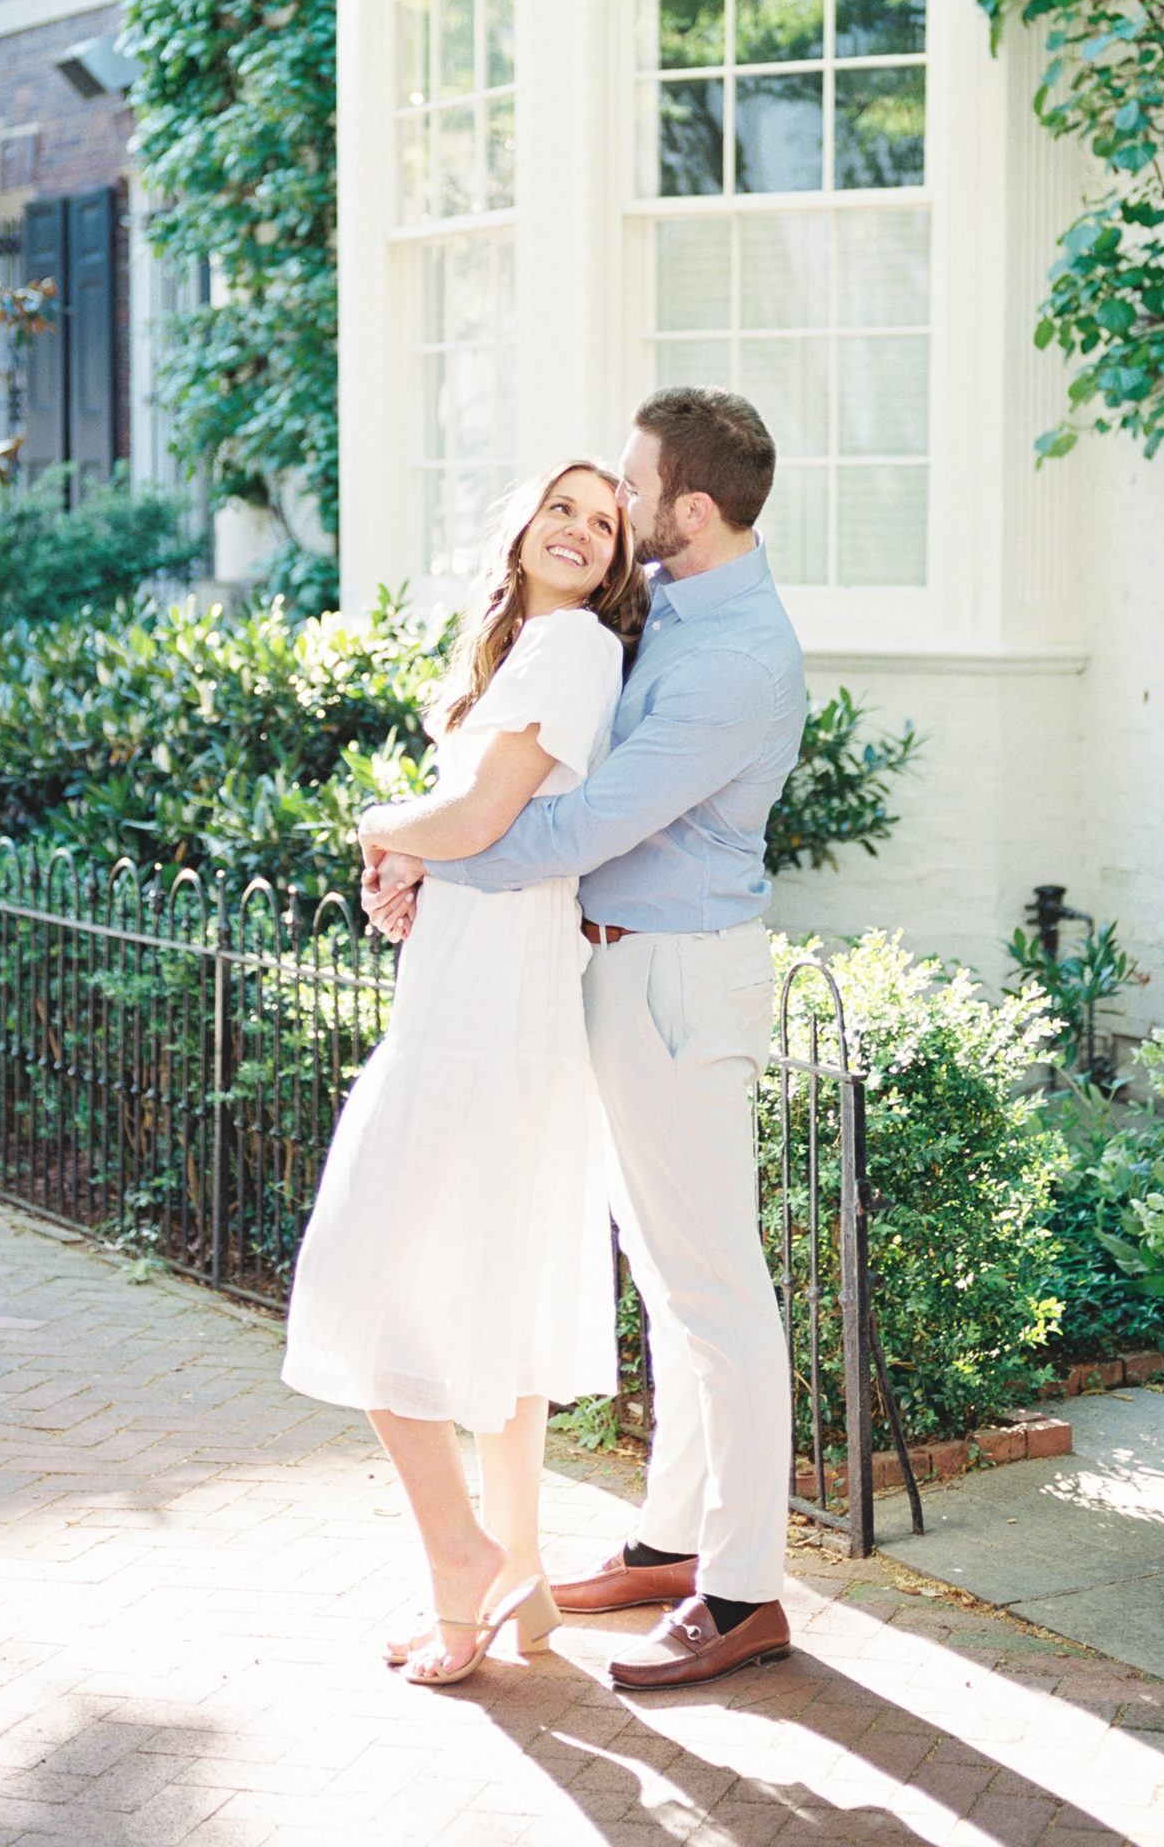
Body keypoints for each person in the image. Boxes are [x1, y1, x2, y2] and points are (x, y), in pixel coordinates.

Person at [364, 387, 808, 1693]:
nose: (613, 506)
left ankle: (741, 1592)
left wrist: (419, 848)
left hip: (676, 978)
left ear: (692, 506)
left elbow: (580, 827)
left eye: (633, 485)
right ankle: (671, 1543)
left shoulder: (736, 660)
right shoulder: (674, 605)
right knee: (671, 1286)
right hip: (613, 972)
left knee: (718, 1289)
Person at [281, 460, 647, 1688]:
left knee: (364, 1270)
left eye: (607, 524)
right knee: (490, 1297)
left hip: (488, 1010)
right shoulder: (517, 656)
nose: (584, 530)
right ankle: (517, 1590)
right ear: (524, 523)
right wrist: (416, 869)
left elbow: (483, 816)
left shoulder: (578, 652)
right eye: (566, 505)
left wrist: (383, 831)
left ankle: (459, 1555)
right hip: (478, 981)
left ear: (615, 562)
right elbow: (476, 828)